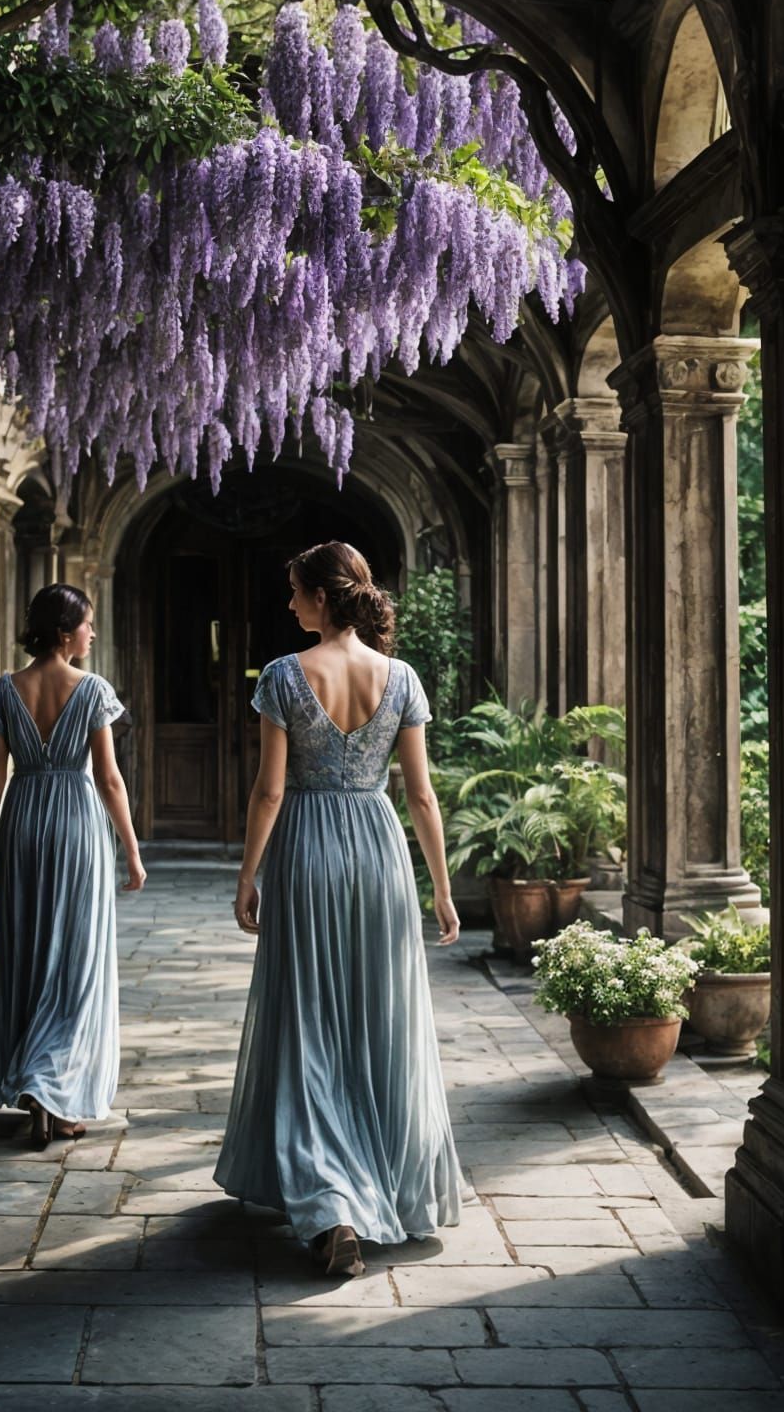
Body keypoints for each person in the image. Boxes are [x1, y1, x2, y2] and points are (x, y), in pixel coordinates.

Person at [214, 538, 462, 1276]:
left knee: (311, 1021)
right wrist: (440, 889)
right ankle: (380, 1180)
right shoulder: (402, 677)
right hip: (379, 852)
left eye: (295, 592)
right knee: (379, 1017)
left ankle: (330, 1202)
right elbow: (420, 794)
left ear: (322, 597)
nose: (289, 605)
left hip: (310, 851)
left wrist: (247, 875)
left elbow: (269, 792)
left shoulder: (287, 677)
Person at [0, 583, 146, 1146]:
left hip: (22, 822)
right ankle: (55, 1088)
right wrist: (132, 848)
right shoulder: (92, 689)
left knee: (28, 950)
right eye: (87, 625)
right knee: (75, 958)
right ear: (64, 631)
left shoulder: (7, 689)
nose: (93, 634)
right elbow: (109, 779)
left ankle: (38, 1093)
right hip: (76, 825)